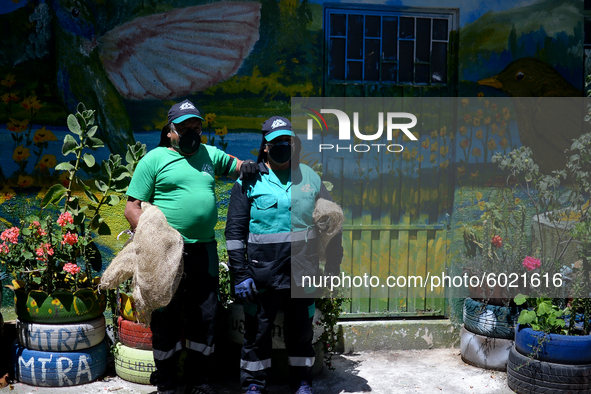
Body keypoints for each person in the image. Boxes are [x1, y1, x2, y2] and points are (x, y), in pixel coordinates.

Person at [124, 99, 257, 394]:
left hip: (204, 252)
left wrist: (247, 166)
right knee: (166, 317)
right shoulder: (154, 160)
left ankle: (199, 381)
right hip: (166, 254)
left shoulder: (209, 155)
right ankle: (168, 382)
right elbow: (132, 208)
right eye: (186, 128)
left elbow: (236, 166)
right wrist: (150, 239)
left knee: (206, 317)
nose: (193, 133)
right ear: (170, 131)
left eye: (197, 127)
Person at [225, 116, 343, 394]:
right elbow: (234, 234)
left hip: (303, 271)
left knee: (301, 331)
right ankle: (253, 384)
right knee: (257, 333)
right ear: (265, 147)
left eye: (287, 141)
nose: (282, 146)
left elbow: (332, 223)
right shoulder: (249, 181)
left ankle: (302, 381)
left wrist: (333, 268)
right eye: (276, 142)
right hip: (260, 274)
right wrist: (240, 275)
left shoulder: (310, 178)